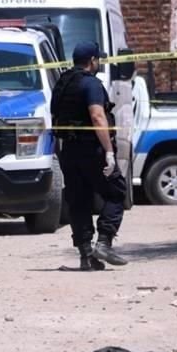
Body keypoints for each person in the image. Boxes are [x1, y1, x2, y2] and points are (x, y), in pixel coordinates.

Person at [50, 41, 128, 271]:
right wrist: (110, 151)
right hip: (91, 150)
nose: (100, 63)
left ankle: (86, 255)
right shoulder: (91, 84)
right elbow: (97, 117)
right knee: (116, 192)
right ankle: (104, 242)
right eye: (98, 59)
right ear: (92, 61)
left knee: (79, 201)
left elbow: (55, 117)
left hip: (69, 151)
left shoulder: (62, 85)